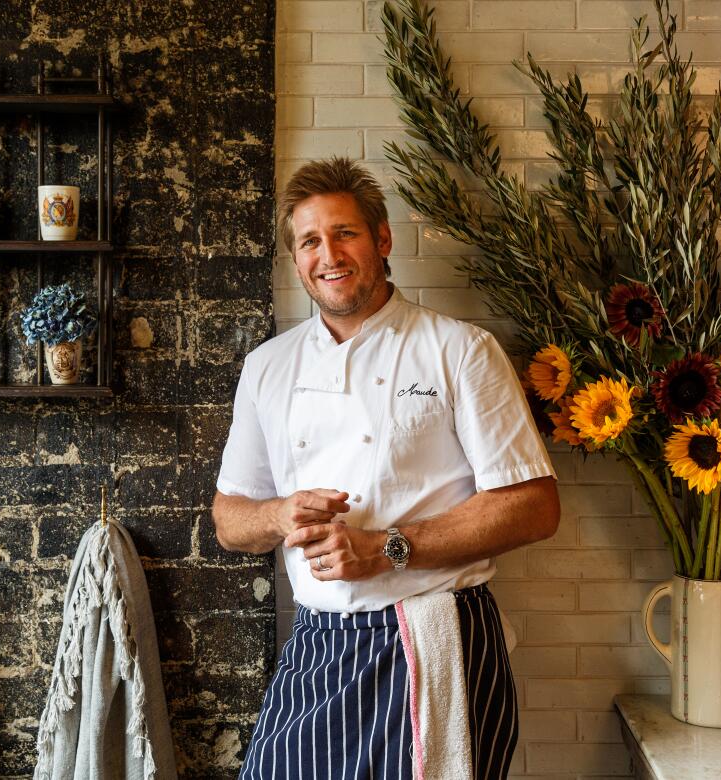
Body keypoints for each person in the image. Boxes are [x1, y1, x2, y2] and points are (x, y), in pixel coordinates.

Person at [213, 157, 560, 779]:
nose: (329, 254)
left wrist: (384, 548)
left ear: (383, 239)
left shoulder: (460, 350)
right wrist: (277, 513)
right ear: (296, 259)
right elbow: (230, 520)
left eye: (345, 232)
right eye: (310, 241)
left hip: (435, 634)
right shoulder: (267, 366)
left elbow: (534, 505)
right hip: (319, 639)